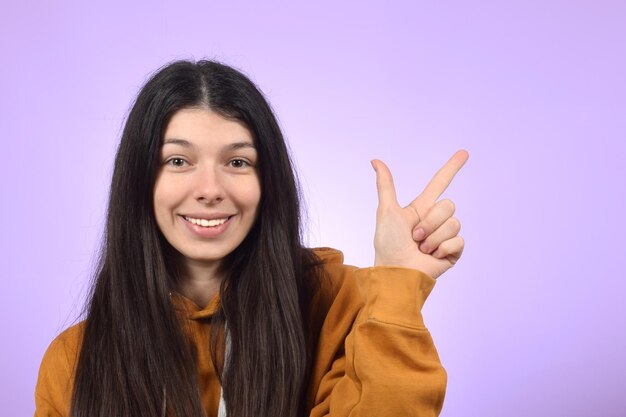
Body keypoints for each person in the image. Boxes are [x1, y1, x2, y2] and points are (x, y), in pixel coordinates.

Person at [34, 60, 468, 417]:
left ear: (268, 181)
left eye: (238, 162)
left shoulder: (334, 304)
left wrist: (396, 284)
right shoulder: (74, 359)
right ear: (139, 181)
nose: (209, 189)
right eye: (179, 160)